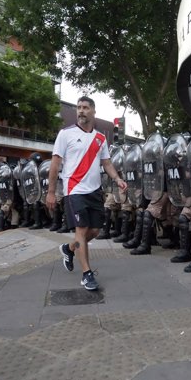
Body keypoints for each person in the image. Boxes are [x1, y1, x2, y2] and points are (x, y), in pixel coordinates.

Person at [46, 96, 128, 291]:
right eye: (79, 108)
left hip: (94, 191)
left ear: (93, 111)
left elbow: (106, 163)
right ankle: (87, 274)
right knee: (81, 230)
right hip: (74, 190)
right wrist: (50, 192)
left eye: (85, 108)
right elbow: (55, 164)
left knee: (95, 231)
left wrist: (117, 179)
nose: (81, 111)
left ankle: (69, 248)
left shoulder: (100, 138)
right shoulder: (65, 134)